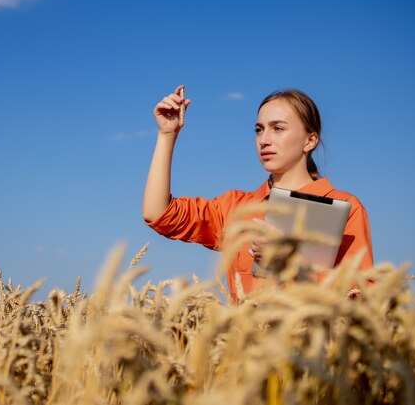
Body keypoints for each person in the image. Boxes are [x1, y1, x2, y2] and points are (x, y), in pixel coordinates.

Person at [142, 85, 373, 301]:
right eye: (259, 130)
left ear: (310, 140)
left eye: (278, 128)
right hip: (246, 343)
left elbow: (360, 297)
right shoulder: (236, 208)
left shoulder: (346, 207)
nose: (264, 140)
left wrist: (289, 259)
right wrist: (167, 135)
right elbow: (158, 214)